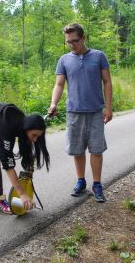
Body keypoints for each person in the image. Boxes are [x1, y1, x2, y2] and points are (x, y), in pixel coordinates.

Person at [48, 23, 113, 202]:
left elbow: (107, 82)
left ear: (83, 38)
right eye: (68, 42)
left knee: (96, 149)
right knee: (77, 150)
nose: (72, 45)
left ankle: (97, 184)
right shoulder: (64, 60)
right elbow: (59, 84)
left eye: (75, 41)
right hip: (74, 112)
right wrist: (53, 103)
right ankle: (81, 181)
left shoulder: (99, 56)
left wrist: (108, 107)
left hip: (95, 112)